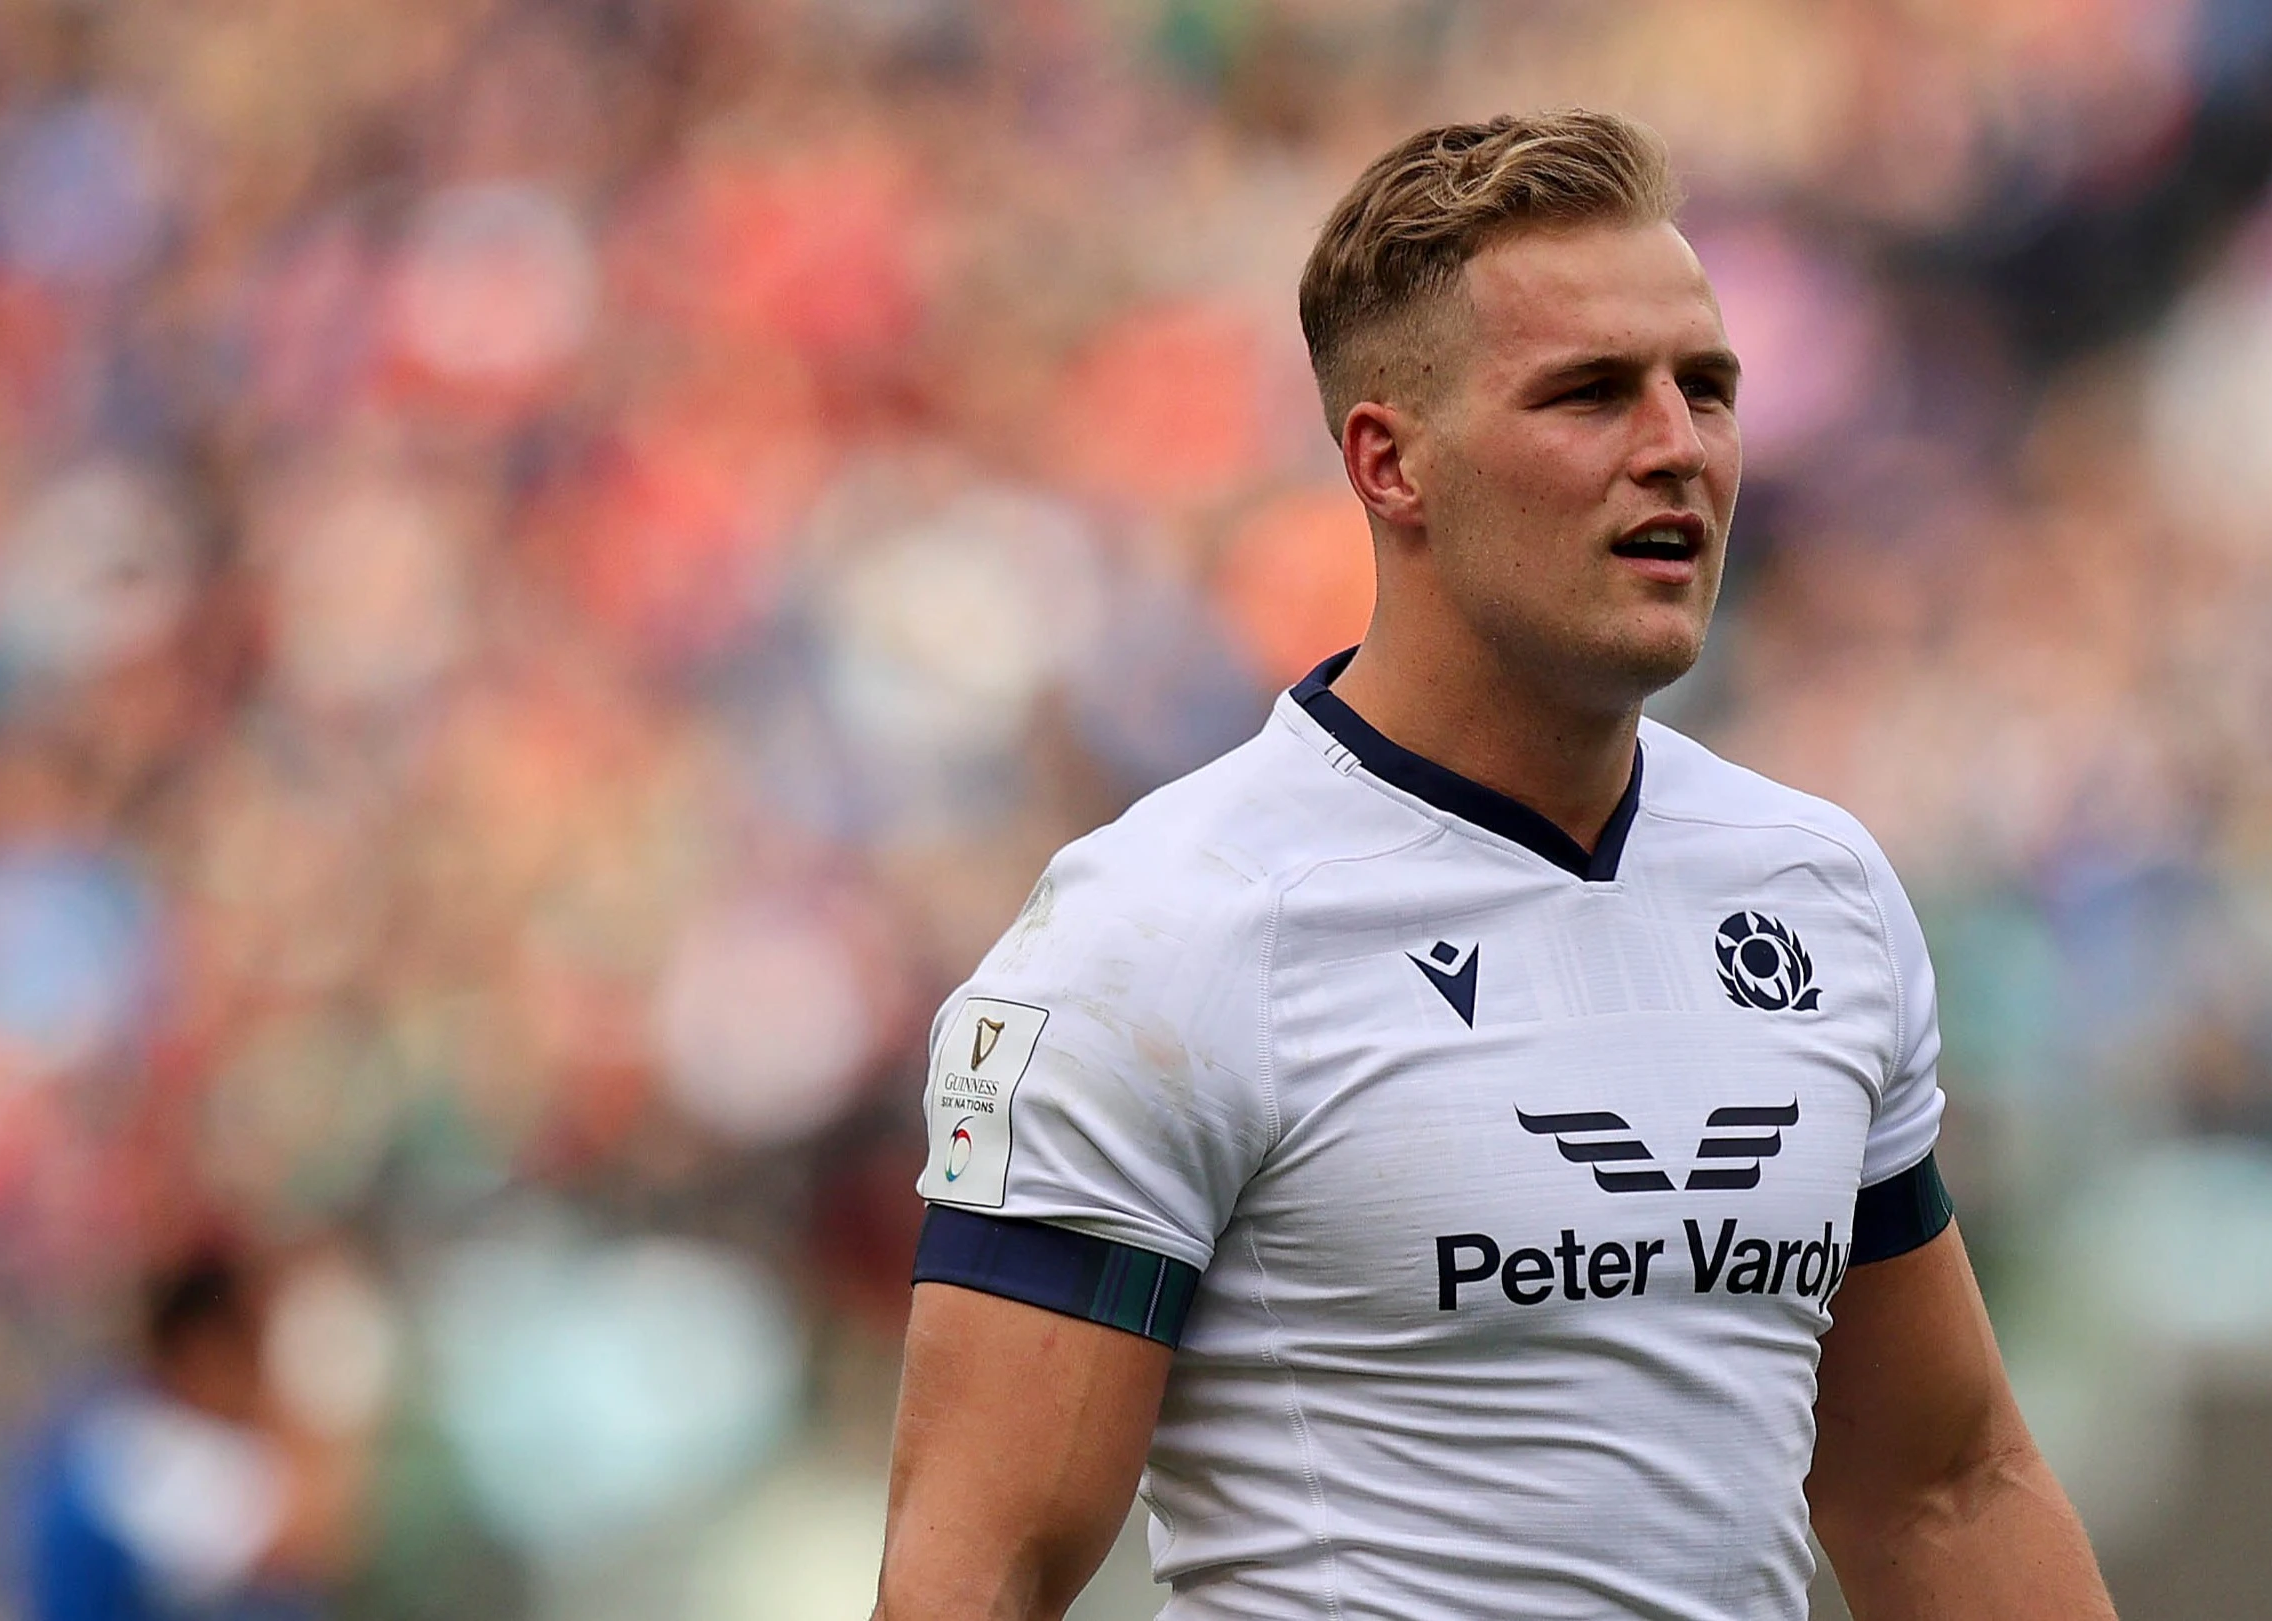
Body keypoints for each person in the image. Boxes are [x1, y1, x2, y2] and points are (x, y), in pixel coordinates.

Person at [876, 109, 2116, 1620]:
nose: (1677, 448)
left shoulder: (1817, 887)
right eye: (1590, 394)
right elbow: (976, 1573)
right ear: (1389, 464)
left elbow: (1938, 1487)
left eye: (1706, 389)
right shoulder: (1160, 931)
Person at [0, 1245, 361, 1621]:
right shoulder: (131, 1441)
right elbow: (301, 1540)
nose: (259, 1377)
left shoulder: (110, 1417)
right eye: (250, 1351)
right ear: (204, 1348)